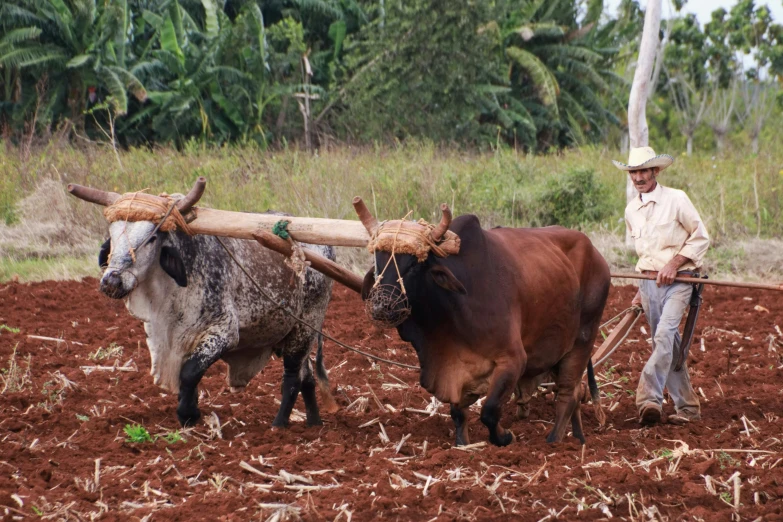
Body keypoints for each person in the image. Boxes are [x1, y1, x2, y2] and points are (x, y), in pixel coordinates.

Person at [612, 146, 710, 426]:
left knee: (664, 336)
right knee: (668, 344)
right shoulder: (632, 210)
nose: (639, 176)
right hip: (650, 285)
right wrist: (639, 291)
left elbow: (701, 237)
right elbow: (646, 256)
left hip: (679, 281)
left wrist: (674, 264)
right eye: (634, 172)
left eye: (644, 170)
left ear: (655, 171)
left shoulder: (676, 199)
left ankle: (648, 399)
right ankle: (688, 408)